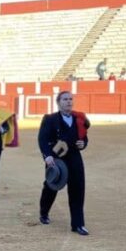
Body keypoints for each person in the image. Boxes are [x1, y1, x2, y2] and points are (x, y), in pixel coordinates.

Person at [39, 91, 91, 236]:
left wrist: (83, 143)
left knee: (77, 189)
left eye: (70, 99)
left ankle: (78, 224)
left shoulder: (79, 118)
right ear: (58, 102)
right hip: (56, 158)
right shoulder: (50, 119)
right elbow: (42, 139)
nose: (68, 102)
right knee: (51, 187)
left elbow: (84, 137)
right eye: (65, 99)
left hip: (74, 157)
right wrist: (47, 156)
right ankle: (44, 212)